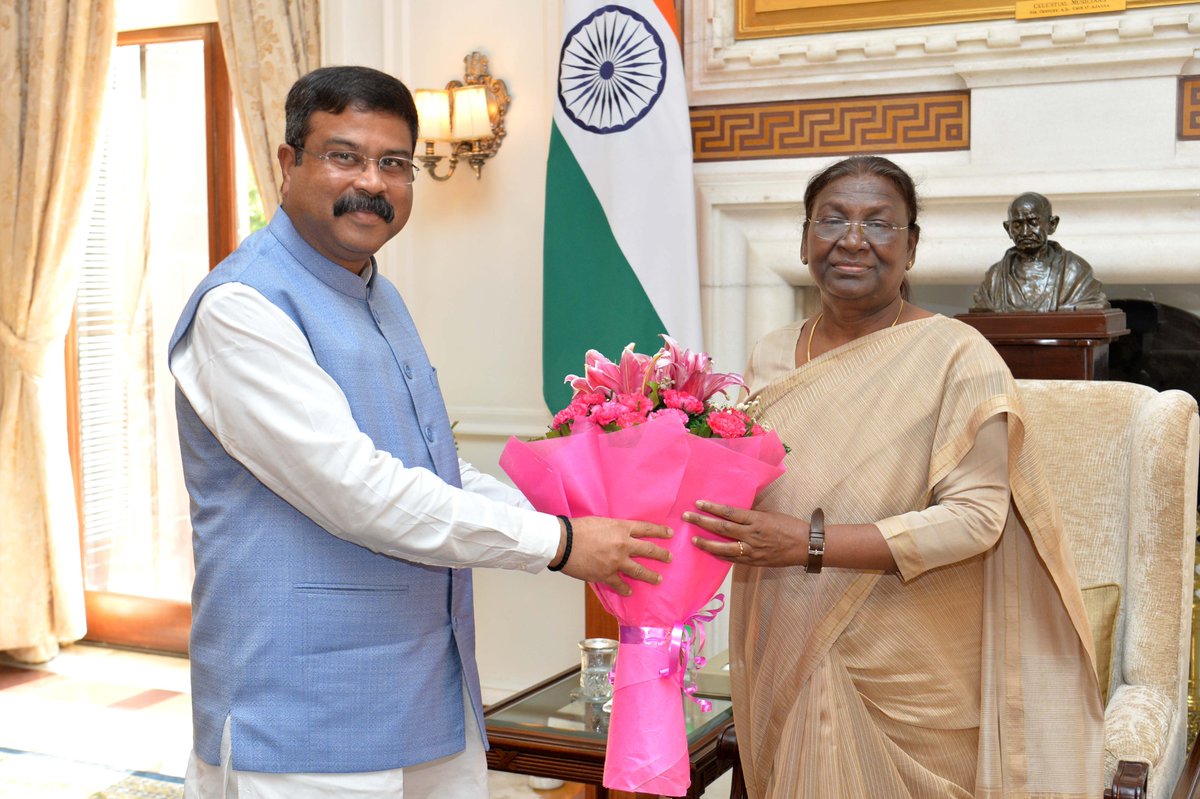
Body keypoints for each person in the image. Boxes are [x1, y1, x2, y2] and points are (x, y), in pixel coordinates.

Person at [167, 65, 671, 799]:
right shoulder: (242, 308)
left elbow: (434, 468)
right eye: (344, 156)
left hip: (425, 688)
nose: (371, 182)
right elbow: (358, 492)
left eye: (394, 163)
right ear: (288, 163)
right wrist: (558, 543)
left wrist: (571, 516)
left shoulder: (379, 294)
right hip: (301, 712)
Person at [684, 157, 1103, 797]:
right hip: (784, 633)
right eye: (832, 220)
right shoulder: (771, 352)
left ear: (911, 248)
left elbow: (976, 519)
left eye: (879, 224)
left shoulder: (960, 355)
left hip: (905, 662)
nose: (853, 240)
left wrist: (809, 544)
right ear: (804, 241)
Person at [970, 191, 1108, 312]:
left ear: (1052, 224)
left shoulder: (1075, 271)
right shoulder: (994, 278)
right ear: (1008, 229)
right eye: (1017, 225)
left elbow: (1091, 306)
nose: (1025, 232)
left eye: (1033, 223)